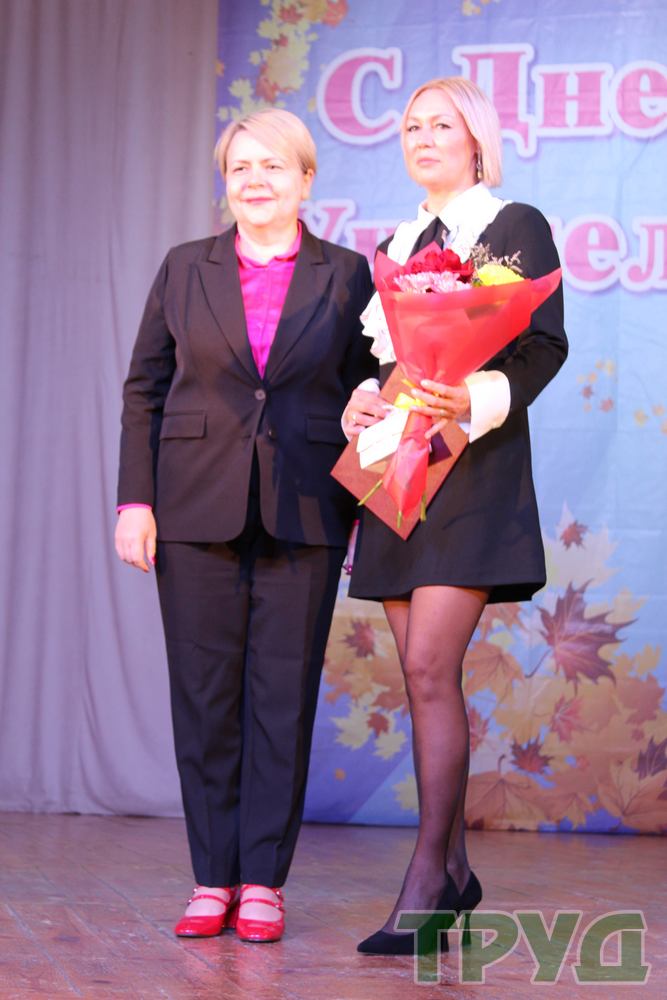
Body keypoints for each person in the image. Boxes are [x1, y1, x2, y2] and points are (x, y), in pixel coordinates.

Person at [115, 109, 375, 942]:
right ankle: (211, 878)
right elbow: (144, 389)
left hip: (307, 507)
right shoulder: (183, 267)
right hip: (192, 505)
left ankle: (262, 880)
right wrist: (135, 501)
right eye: (239, 168)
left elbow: (374, 395)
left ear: (306, 178)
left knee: (281, 699)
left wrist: (366, 510)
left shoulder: (349, 275)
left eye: (273, 166)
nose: (255, 181)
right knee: (203, 698)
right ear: (224, 183)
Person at [341, 77, 567, 955]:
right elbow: (380, 361)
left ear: (476, 140)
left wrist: (470, 397)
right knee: (419, 676)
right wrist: (364, 399)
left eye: (442, 124)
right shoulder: (393, 246)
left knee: (430, 666)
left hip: (472, 470)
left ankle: (427, 878)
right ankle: (457, 871)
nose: (423, 137)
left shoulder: (513, 225)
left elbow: (542, 346)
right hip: (401, 470)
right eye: (411, 126)